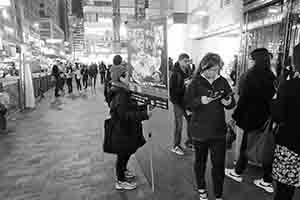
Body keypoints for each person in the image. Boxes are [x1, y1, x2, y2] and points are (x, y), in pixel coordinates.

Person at [184, 53, 235, 200]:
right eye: (211, 70)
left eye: (217, 70)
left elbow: (231, 101)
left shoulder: (222, 81)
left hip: (218, 131)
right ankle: (201, 189)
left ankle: (218, 194)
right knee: (200, 162)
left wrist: (228, 103)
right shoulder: (195, 83)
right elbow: (187, 104)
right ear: (203, 67)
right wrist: (200, 101)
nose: (214, 73)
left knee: (218, 165)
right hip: (199, 131)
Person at [225, 48, 277, 193]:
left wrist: (235, 117)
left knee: (246, 145)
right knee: (265, 145)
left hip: (250, 117)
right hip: (265, 117)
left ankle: (238, 172)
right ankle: (266, 178)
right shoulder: (271, 76)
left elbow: (244, 100)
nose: (249, 61)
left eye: (251, 59)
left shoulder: (251, 76)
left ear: (256, 60)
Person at [106, 55, 153, 190]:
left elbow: (130, 108)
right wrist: (144, 114)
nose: (130, 78)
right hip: (122, 130)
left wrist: (144, 107)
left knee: (126, 152)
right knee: (123, 154)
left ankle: (123, 171)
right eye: (127, 76)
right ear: (120, 77)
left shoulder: (123, 90)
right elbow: (124, 115)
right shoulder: (120, 94)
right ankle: (120, 181)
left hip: (126, 129)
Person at [271, 44, 300, 200]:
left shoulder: (289, 86)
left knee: (284, 191)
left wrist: (276, 99)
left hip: (290, 145)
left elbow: (277, 116)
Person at [169, 53, 193, 155]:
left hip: (187, 102)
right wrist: (185, 86)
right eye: (185, 61)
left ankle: (190, 142)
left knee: (191, 121)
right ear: (179, 61)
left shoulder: (188, 71)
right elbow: (172, 91)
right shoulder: (175, 74)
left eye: (188, 61)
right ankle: (175, 146)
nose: (187, 63)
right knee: (179, 125)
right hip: (178, 103)